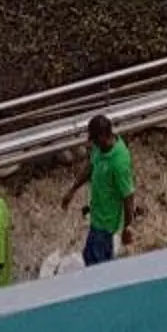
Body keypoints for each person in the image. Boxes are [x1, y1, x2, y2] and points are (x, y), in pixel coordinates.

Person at [64, 113, 136, 265]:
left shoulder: (119, 163)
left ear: (103, 136)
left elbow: (128, 197)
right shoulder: (100, 149)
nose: (92, 143)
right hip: (97, 215)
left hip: (106, 224)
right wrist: (72, 190)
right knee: (93, 259)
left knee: (95, 262)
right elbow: (90, 167)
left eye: (94, 139)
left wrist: (127, 227)